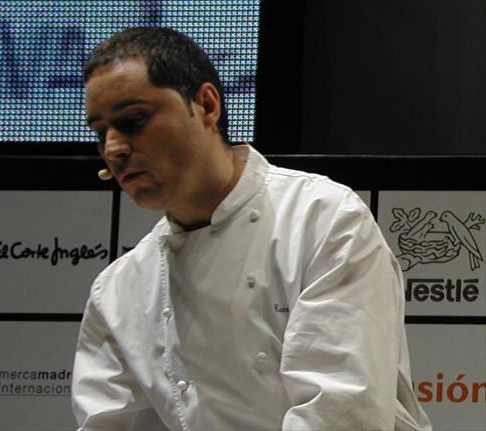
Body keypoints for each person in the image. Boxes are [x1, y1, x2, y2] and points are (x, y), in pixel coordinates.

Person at [71, 27, 432, 431]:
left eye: (134, 120)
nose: (114, 148)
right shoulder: (118, 289)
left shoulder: (322, 220)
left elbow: (342, 412)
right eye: (100, 133)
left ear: (207, 106)